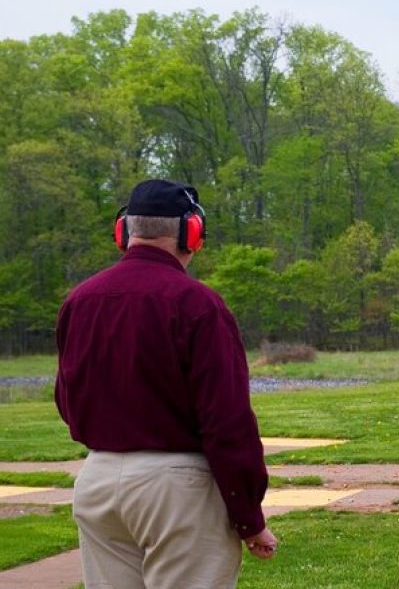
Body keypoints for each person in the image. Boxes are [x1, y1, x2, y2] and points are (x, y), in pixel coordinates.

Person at [55, 179, 277, 588]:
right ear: (191, 232)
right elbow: (227, 421)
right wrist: (248, 516)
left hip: (97, 481)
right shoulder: (197, 304)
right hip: (177, 490)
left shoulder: (79, 300)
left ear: (123, 232)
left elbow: (67, 401)